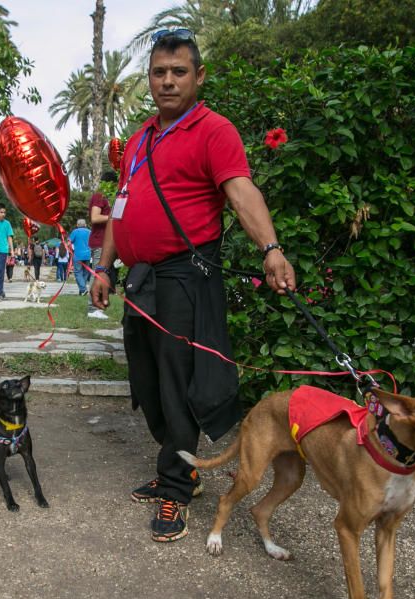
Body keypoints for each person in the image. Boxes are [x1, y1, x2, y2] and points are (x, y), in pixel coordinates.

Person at [89, 29, 295, 543]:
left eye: (179, 72)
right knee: (147, 381)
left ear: (198, 77)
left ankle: (177, 489)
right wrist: (104, 266)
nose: (168, 81)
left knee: (178, 387)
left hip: (184, 275)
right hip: (141, 279)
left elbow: (242, 192)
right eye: (159, 72)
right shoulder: (140, 138)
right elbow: (120, 208)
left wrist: (271, 248)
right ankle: (178, 464)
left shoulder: (214, 130)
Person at [87, 169, 119, 319]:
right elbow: (94, 217)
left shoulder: (106, 197)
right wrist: (115, 217)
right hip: (100, 241)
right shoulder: (101, 196)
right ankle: (93, 309)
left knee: (102, 275)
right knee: (98, 275)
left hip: (103, 241)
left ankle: (97, 307)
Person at [68, 219, 91, 295]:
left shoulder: (75, 231)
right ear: (85, 225)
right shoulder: (89, 232)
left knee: (77, 272)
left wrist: (70, 249)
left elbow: (69, 243)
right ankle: (82, 291)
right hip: (88, 255)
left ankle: (83, 289)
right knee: (85, 272)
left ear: (77, 225)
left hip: (78, 255)